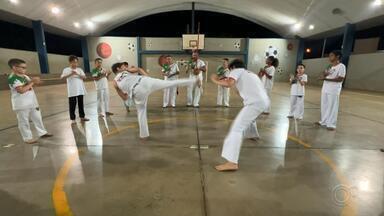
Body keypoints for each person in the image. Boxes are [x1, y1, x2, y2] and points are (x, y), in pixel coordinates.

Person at [211, 59, 270, 171]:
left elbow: (229, 83)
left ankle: (232, 162)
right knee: (249, 119)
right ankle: (252, 134)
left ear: (233, 67)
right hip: (263, 101)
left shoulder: (236, 71)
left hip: (254, 103)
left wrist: (215, 80)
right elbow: (240, 89)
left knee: (236, 129)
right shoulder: (250, 73)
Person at [112, 63, 196, 138]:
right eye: (123, 66)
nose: (125, 66)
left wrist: (128, 96)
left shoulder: (117, 80)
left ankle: (143, 135)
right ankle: (193, 80)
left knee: (141, 112)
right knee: (169, 84)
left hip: (138, 89)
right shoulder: (122, 75)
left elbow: (124, 97)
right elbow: (139, 69)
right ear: (118, 69)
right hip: (144, 81)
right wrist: (148, 78)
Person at [7, 58, 53, 144]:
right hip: (21, 104)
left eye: (25, 67)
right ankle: (27, 138)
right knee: (23, 122)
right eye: (22, 67)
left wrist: (37, 82)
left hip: (32, 102)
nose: (25, 69)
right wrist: (32, 82)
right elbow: (21, 90)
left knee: (38, 118)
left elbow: (30, 85)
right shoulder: (12, 78)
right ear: (14, 67)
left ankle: (42, 132)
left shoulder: (25, 76)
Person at [316, 50, 346, 131]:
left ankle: (331, 124)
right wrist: (324, 75)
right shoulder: (330, 66)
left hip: (334, 90)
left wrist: (326, 79)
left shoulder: (341, 66)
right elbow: (324, 75)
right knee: (324, 105)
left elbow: (340, 79)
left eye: (331, 55)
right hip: (325, 88)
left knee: (332, 107)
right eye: (329, 56)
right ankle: (323, 121)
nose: (329, 57)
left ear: (337, 56)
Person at [61, 55, 89, 124]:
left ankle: (82, 117)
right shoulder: (66, 69)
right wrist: (71, 74)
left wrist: (78, 74)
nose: (75, 64)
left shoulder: (79, 70)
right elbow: (62, 78)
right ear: (70, 62)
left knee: (81, 104)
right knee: (72, 105)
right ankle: (73, 119)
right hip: (72, 91)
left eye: (76, 62)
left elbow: (85, 77)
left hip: (80, 90)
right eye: (73, 62)